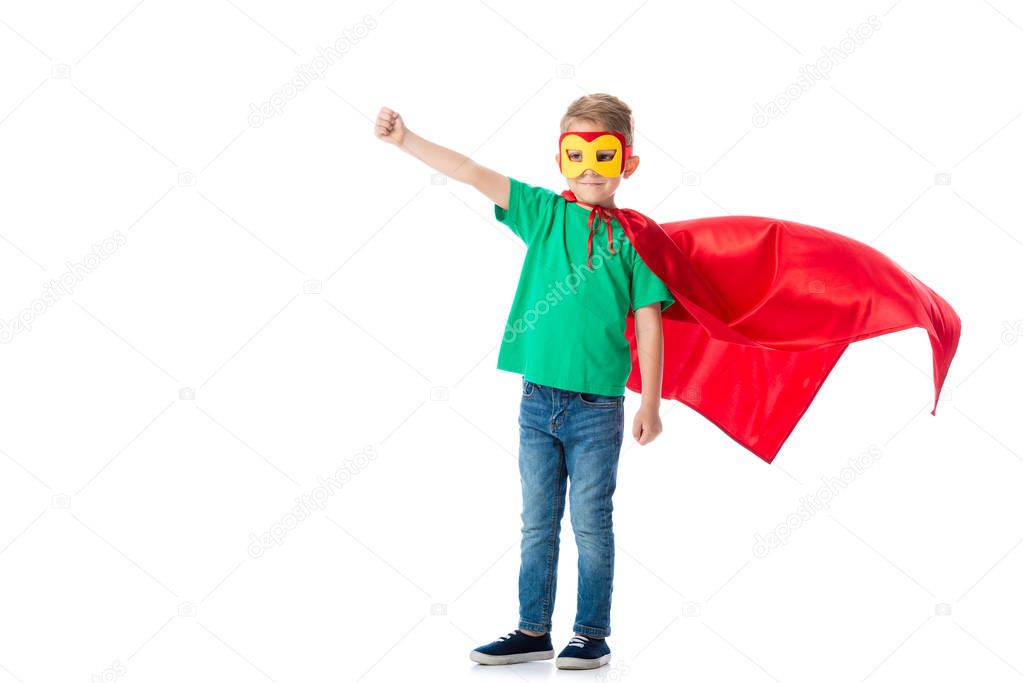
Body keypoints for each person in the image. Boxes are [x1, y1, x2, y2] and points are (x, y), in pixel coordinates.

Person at [374, 93, 675, 670]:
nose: (590, 167)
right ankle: (532, 629)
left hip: (598, 406)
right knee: (537, 522)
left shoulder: (638, 238)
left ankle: (591, 633)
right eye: (577, 153)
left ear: (627, 164)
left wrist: (652, 403)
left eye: (604, 154)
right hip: (537, 401)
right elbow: (472, 173)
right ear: (561, 159)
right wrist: (407, 140)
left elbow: (649, 321)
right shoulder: (544, 212)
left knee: (591, 521)